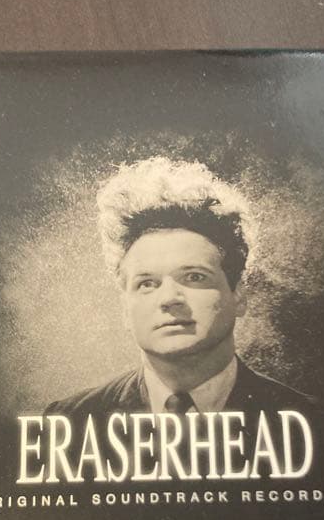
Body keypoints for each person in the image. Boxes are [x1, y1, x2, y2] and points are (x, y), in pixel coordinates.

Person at [47, 156, 308, 420]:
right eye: (147, 283)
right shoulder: (69, 421)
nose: (169, 298)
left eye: (194, 277)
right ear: (125, 308)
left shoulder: (313, 421)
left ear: (238, 295)